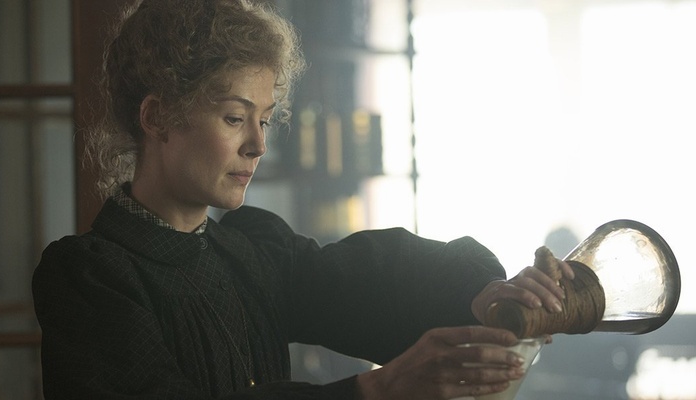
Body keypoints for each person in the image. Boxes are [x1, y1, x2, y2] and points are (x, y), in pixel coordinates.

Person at [31, 0, 574, 399]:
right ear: (156, 117)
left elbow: (370, 280)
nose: (258, 145)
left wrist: (482, 293)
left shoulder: (249, 251)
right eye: (234, 118)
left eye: (265, 120)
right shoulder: (88, 277)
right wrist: (374, 391)